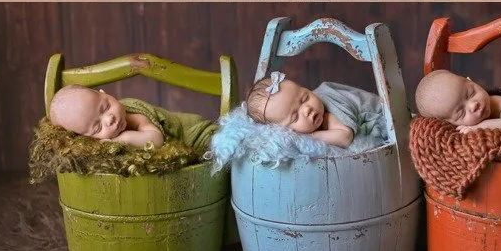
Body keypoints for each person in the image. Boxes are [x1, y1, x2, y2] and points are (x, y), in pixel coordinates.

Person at [49, 84, 217, 153]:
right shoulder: (93, 145)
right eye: (97, 128)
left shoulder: (133, 115)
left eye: (105, 107)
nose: (109, 119)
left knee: (221, 146)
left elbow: (156, 140)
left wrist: (125, 138)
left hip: (195, 133)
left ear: (104, 93)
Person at [245, 72, 387, 148]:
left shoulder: (328, 114)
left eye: (305, 98)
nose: (307, 109)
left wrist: (309, 137)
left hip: (383, 115)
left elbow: (346, 137)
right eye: (295, 117)